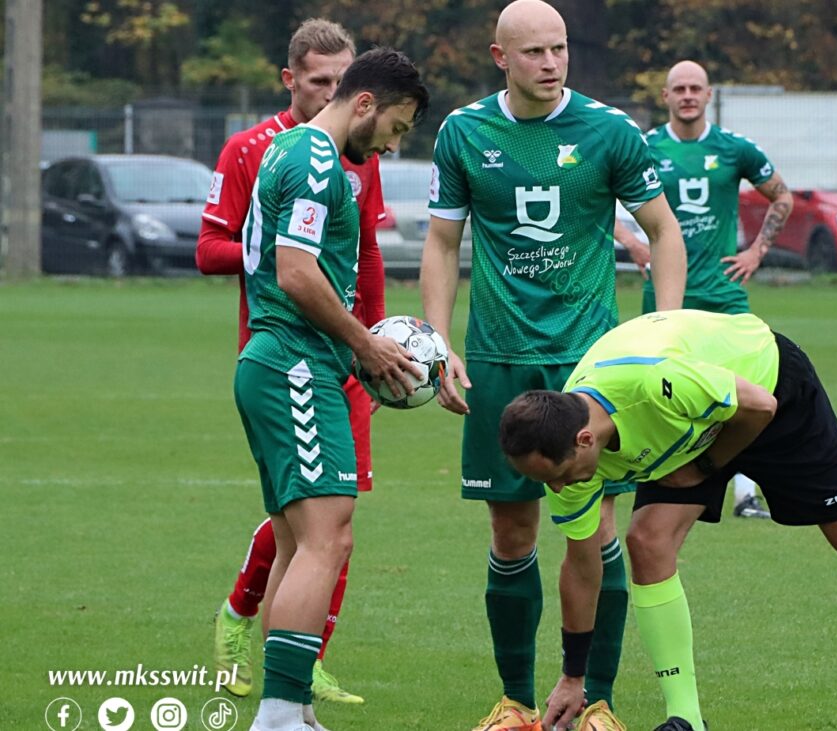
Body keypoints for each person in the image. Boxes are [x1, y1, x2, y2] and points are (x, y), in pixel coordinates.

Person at [499, 309, 837, 731]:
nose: (557, 489)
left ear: (585, 440)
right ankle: (683, 717)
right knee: (648, 540)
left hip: (768, 387)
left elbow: (759, 406)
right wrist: (573, 676)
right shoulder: (562, 451)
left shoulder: (655, 385)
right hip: (691, 427)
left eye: (559, 477)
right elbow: (582, 566)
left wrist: (707, 467)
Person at [420, 1, 687, 729]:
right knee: (511, 533)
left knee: (593, 532)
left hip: (587, 366)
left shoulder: (608, 130)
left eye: (559, 49)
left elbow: (663, 232)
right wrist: (439, 340)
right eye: (534, 51)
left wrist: (661, 326)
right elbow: (443, 243)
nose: (551, 62)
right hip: (499, 360)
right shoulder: (465, 131)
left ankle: (597, 699)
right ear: (499, 56)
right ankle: (515, 700)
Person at [232, 48, 427, 731]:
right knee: (326, 538)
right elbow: (295, 272)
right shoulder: (317, 160)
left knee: (299, 543)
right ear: (366, 103)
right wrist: (363, 341)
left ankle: (293, 707)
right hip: (294, 361)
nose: (393, 145)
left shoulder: (289, 147)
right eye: (397, 128)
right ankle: (279, 711)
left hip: (278, 360)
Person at [199, 19, 385, 705]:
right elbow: (235, 254)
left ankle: (297, 675)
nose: (335, 92)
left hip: (340, 352)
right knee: (316, 527)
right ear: (290, 79)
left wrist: (375, 340)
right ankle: (249, 632)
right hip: (293, 351)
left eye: (345, 80)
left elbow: (358, 252)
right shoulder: (270, 151)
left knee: (327, 527)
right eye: (320, 82)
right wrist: (278, 263)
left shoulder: (352, 158)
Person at [617, 59, 795, 521]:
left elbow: (782, 195)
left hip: (722, 291)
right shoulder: (645, 146)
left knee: (753, 388)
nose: (688, 95)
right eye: (679, 88)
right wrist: (634, 242)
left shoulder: (734, 148)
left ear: (709, 95)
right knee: (659, 384)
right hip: (666, 292)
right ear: (666, 97)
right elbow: (598, 196)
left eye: (696, 88)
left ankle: (746, 491)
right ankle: (663, 478)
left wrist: (756, 252)